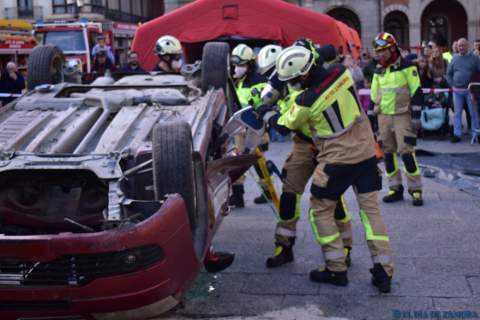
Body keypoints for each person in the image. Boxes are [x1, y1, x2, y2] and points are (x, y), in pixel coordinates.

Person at [259, 45, 393, 292]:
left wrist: (266, 113)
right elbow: (325, 58)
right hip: (365, 154)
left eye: (294, 80)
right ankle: (384, 271)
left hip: (336, 160)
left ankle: (336, 268)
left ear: (303, 75)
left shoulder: (305, 101)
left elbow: (282, 126)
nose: (293, 84)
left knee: (319, 209)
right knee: (370, 211)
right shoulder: (341, 72)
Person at [256, 41, 354, 270]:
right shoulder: (282, 80)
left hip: (328, 144)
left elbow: (283, 125)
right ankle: (284, 245)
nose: (277, 80)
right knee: (289, 192)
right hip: (302, 143)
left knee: (331, 195)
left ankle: (345, 247)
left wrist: (271, 116)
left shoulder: (305, 67)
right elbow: (270, 103)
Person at [370, 32, 424, 206]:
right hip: (384, 117)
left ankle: (415, 190)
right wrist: (374, 117)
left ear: (392, 48)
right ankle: (395, 188)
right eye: (377, 51)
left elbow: (417, 92)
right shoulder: (378, 70)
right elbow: (374, 95)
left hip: (403, 116)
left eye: (383, 50)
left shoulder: (408, 66)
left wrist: (416, 116)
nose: (380, 54)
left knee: (407, 153)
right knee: (388, 154)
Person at [228, 43, 270, 207]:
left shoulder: (259, 81)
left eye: (241, 65)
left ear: (250, 64)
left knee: (259, 161)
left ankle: (267, 190)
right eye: (235, 65)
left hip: (256, 129)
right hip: (240, 128)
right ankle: (238, 196)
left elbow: (265, 105)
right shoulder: (238, 81)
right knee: (238, 161)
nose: (237, 68)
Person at [446, 38, 480, 142]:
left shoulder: (474, 58)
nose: (461, 47)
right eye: (459, 46)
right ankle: (457, 135)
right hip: (457, 91)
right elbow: (449, 74)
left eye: (463, 45)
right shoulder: (454, 58)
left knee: (473, 113)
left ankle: (477, 134)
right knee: (457, 113)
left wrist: (476, 86)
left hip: (470, 90)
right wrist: (452, 84)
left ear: (468, 46)